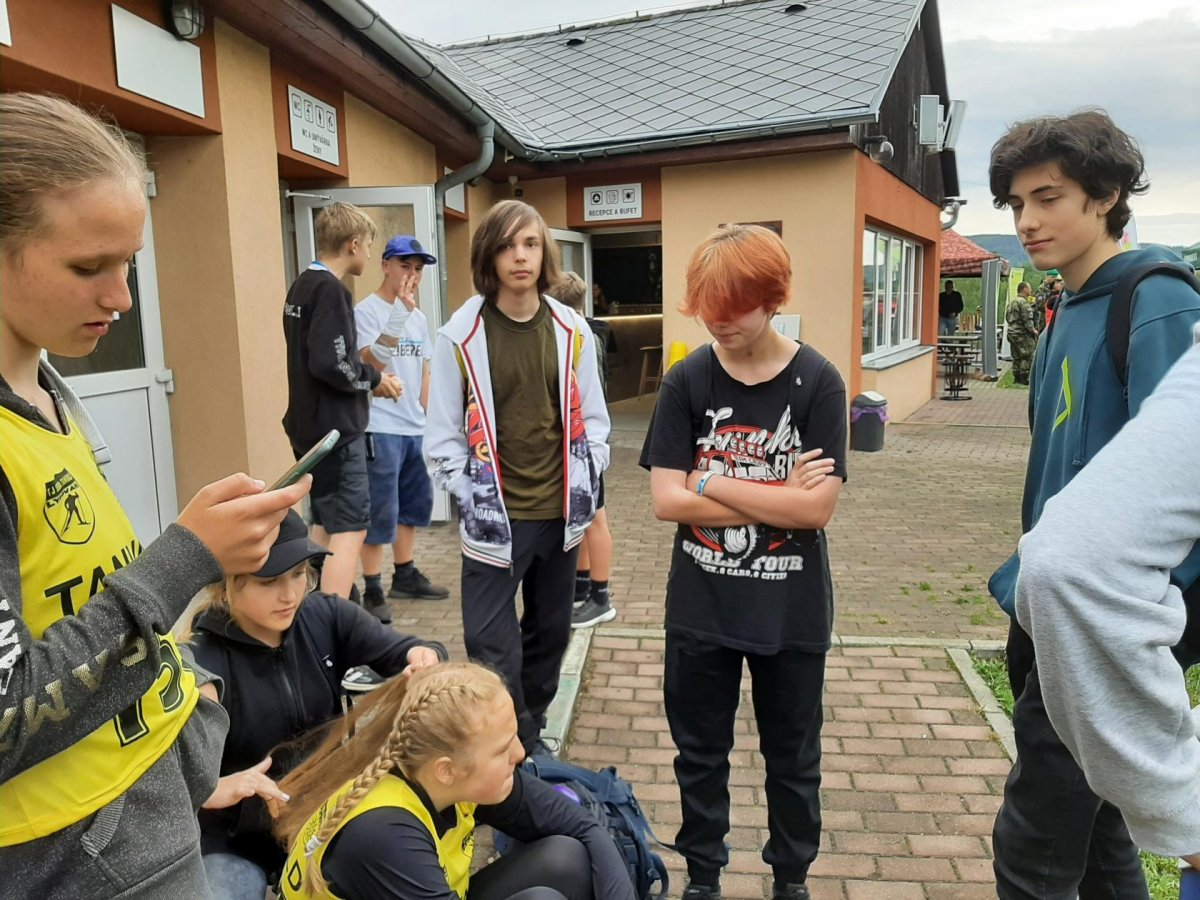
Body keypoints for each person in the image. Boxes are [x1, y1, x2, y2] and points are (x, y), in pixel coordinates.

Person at [0, 92, 310, 898]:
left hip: (145, 812)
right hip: (77, 852)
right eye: (88, 267)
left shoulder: (47, 388)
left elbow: (78, 593)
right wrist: (184, 561)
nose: (122, 298)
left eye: (128, 264)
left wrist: (187, 691)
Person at [985, 109, 1200, 898]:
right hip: (1047, 603)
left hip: (1109, 612)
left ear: (1107, 195)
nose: (1027, 221)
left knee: (1031, 847)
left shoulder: (1155, 299)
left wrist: (1146, 614)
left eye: (1048, 198)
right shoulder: (1061, 315)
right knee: (1103, 833)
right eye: (1016, 204)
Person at [640, 224, 847, 900]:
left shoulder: (818, 382)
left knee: (794, 760)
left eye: (734, 307)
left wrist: (708, 479)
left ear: (773, 297)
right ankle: (703, 877)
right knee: (699, 757)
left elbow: (816, 512)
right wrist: (777, 494)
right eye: (707, 307)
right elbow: (667, 501)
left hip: (791, 610)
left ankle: (791, 880)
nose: (718, 322)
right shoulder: (687, 380)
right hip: (701, 608)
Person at [425, 201, 610, 755]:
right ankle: (517, 741)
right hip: (495, 519)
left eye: (530, 244)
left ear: (544, 252)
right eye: (507, 246)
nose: (520, 256)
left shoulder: (572, 329)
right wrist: (469, 493)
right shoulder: (460, 335)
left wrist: (589, 474)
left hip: (560, 516)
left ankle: (530, 726)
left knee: (550, 635)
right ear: (489, 255)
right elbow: (442, 434)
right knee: (488, 642)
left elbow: (595, 419)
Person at [185, 509, 447, 899]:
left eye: (298, 574)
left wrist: (424, 658)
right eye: (269, 581)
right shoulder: (198, 661)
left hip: (328, 817)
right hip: (237, 844)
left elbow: (411, 650)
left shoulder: (324, 615)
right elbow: (162, 778)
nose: (290, 594)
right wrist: (214, 787)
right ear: (226, 584)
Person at [1015, 338, 1200, 872]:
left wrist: (1175, 805)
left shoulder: (1158, 306)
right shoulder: (1062, 323)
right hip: (1087, 623)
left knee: (1049, 844)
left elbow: (1073, 563)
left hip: (1129, 615)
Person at [273, 661, 637, 900]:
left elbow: (584, 827)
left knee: (566, 857)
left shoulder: (444, 773)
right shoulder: (384, 832)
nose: (520, 754)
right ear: (446, 769)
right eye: (501, 749)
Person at [282, 201, 402, 612]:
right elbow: (331, 363)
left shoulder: (301, 286)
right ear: (353, 245)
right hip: (335, 433)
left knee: (323, 524)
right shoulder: (331, 291)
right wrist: (375, 380)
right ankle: (332, 624)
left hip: (308, 429)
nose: (368, 254)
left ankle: (306, 612)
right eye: (368, 245)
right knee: (350, 528)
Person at [355, 236, 449, 613]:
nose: (412, 275)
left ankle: (405, 574)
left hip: (414, 427)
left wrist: (433, 418)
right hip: (379, 426)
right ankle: (372, 587)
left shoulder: (420, 317)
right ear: (385, 266)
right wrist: (399, 312)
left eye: (418, 269)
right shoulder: (366, 312)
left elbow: (424, 369)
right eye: (405, 266)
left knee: (412, 505)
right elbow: (370, 365)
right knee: (380, 509)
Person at [552, 272, 617, 629]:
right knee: (580, 518)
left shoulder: (579, 336)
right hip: (579, 440)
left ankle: (601, 596)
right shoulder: (585, 333)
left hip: (584, 442)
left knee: (595, 519)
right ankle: (581, 586)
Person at [1004, 282, 1038, 384]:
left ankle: (1016, 378)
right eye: (1029, 288)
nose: (1031, 290)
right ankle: (1025, 378)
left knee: (1016, 357)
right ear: (1024, 289)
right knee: (1027, 356)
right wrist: (1033, 330)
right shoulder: (1024, 303)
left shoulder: (1012, 302)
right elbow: (1027, 319)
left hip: (1012, 333)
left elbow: (1007, 317)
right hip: (1022, 334)